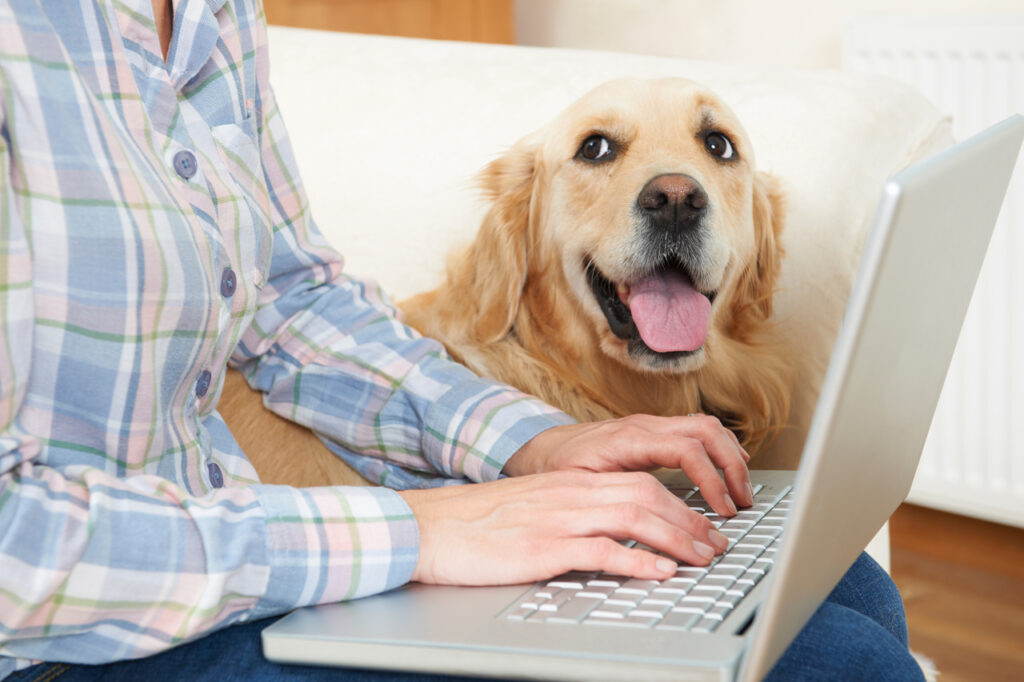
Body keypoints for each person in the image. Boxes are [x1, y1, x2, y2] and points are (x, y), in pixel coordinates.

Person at [0, 1, 924, 679]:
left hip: (227, 544)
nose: (670, 186)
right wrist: (422, 530)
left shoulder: (214, 15)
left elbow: (289, 300)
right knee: (835, 664)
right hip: (74, 630)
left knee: (852, 595)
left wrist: (533, 441)